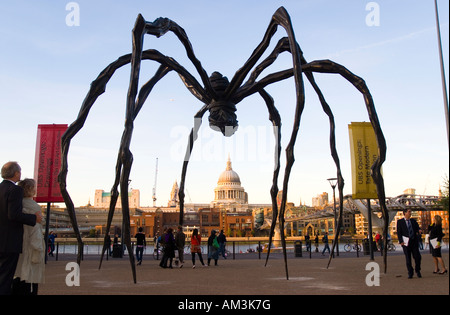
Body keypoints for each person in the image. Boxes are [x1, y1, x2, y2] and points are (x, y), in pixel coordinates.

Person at [0, 161, 42, 295]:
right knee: (5, 278)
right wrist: (34, 219)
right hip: (9, 242)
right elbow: (13, 214)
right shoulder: (16, 190)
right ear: (16, 173)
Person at [12, 178, 45, 295]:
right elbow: (35, 232)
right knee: (30, 278)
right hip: (30, 247)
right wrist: (39, 249)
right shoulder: (34, 206)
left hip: (17, 244)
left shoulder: (17, 204)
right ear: (31, 190)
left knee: (17, 275)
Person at [397, 209, 422, 278]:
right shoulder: (400, 222)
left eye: (411, 211)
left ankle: (418, 270)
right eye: (409, 212)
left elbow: (418, 228)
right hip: (405, 242)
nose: (410, 213)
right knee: (408, 258)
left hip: (414, 241)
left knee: (417, 257)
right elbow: (399, 232)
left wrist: (419, 230)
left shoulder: (413, 221)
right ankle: (410, 272)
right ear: (405, 213)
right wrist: (401, 241)